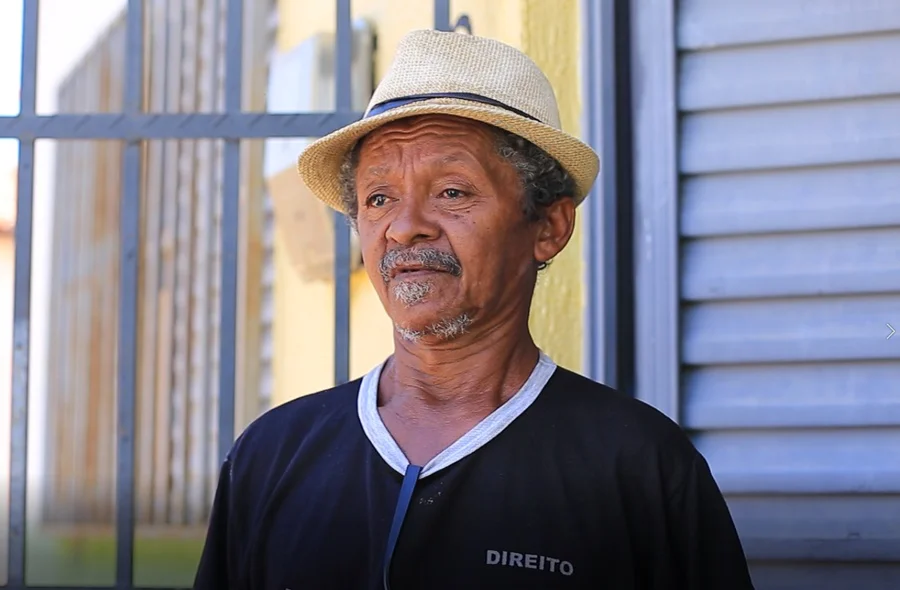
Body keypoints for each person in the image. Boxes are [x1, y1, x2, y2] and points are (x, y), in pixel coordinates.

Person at [193, 29, 754, 590]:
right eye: (379, 198)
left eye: (452, 192)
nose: (405, 225)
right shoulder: (271, 457)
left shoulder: (638, 469)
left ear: (549, 227)